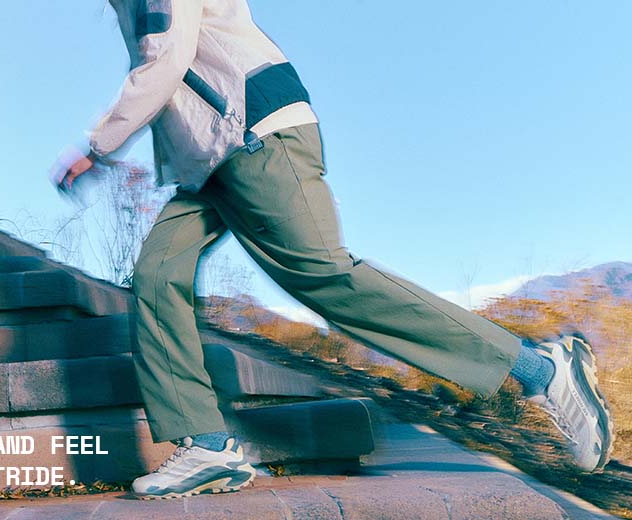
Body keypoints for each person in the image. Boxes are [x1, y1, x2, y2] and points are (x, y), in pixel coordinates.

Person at [56, 0, 615, 500]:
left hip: (253, 135)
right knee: (157, 273)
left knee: (326, 276)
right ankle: (205, 443)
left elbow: (167, 63)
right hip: (210, 162)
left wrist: (95, 145)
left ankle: (540, 371)